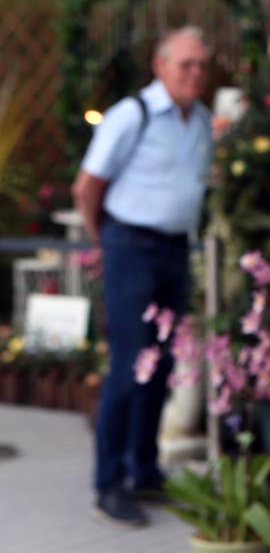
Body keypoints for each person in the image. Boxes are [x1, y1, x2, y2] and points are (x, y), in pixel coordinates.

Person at [72, 26, 212, 527]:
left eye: (201, 65)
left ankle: (145, 472)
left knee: (162, 363)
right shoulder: (132, 114)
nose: (195, 73)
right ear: (160, 65)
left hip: (174, 250)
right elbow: (87, 186)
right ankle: (108, 484)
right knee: (130, 365)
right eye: (185, 64)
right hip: (130, 246)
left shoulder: (199, 119)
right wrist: (103, 241)